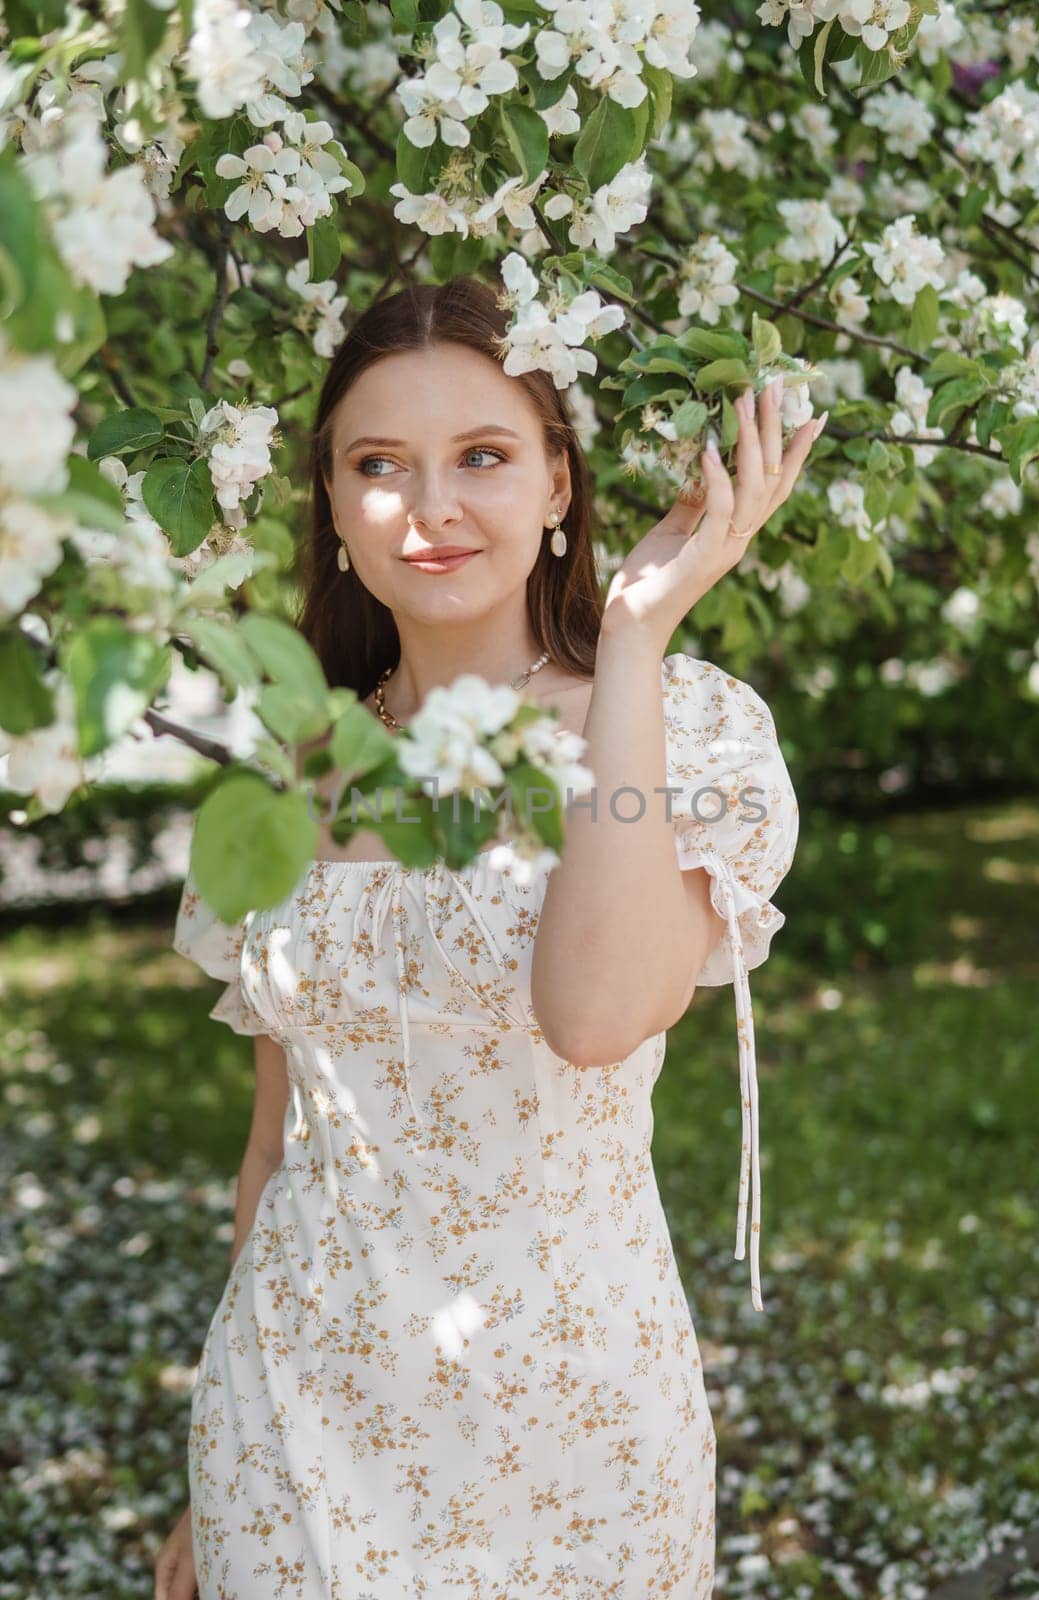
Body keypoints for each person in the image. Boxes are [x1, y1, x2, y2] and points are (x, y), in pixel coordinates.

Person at [155, 273, 811, 1599]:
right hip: (288, 1417)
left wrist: (629, 640)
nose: (431, 505)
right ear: (334, 505)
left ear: (559, 485)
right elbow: (279, 1140)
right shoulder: (290, 771)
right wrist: (200, 1488)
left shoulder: (683, 727)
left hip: (572, 1425)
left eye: (484, 456)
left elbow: (594, 1016)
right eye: (378, 464)